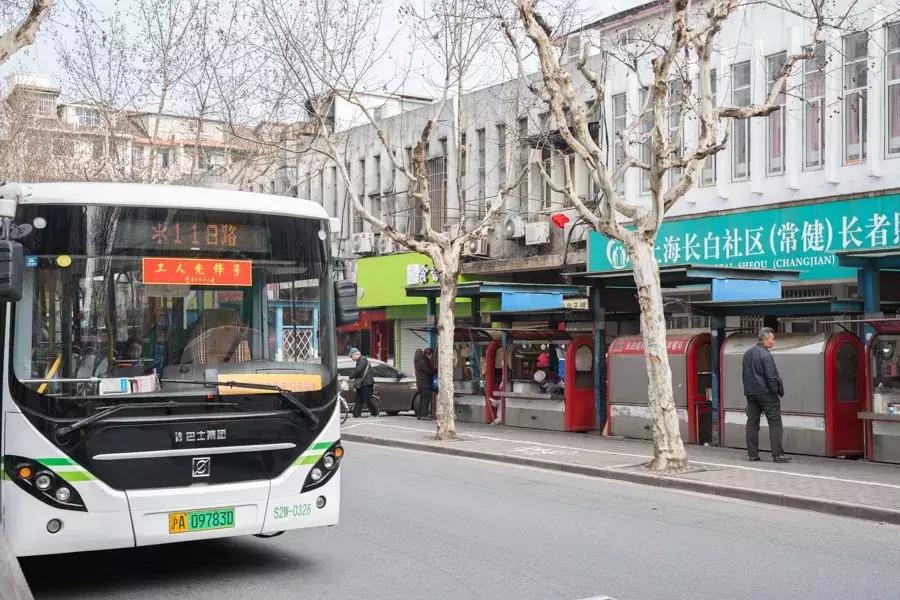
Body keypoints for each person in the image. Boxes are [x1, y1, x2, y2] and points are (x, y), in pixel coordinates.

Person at [741, 327, 790, 463]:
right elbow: (770, 377)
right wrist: (775, 391)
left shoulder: (747, 354)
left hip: (751, 394)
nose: (773, 342)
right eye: (772, 339)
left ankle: (752, 455)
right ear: (764, 339)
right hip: (766, 394)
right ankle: (777, 455)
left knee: (752, 423)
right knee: (775, 424)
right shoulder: (766, 355)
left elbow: (745, 375)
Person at [349, 348, 378, 418]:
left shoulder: (362, 359)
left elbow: (358, 370)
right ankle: (356, 415)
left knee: (367, 399)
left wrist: (351, 376)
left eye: (351, 356)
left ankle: (375, 413)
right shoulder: (360, 360)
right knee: (359, 399)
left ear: (355, 354)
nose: (351, 358)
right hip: (362, 383)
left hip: (367, 383)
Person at [414, 348, 436, 419]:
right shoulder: (423, 362)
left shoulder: (417, 362)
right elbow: (428, 371)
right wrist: (436, 370)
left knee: (422, 399)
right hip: (425, 384)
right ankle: (424, 415)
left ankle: (419, 415)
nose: (431, 357)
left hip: (420, 383)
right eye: (431, 355)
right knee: (426, 400)